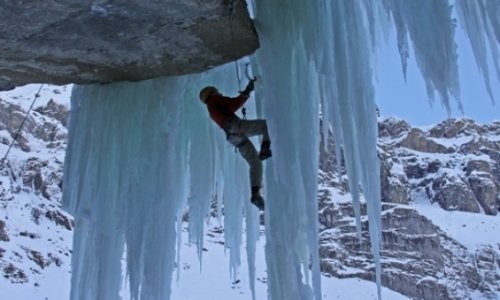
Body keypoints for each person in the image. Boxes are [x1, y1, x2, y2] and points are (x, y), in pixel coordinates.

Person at [199, 80, 271, 210]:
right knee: (266, 125)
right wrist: (247, 92)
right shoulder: (214, 100)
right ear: (211, 93)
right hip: (236, 126)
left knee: (255, 163)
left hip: (233, 137)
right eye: (215, 91)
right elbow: (233, 104)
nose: (218, 93)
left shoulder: (211, 109)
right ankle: (265, 148)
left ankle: (255, 193)